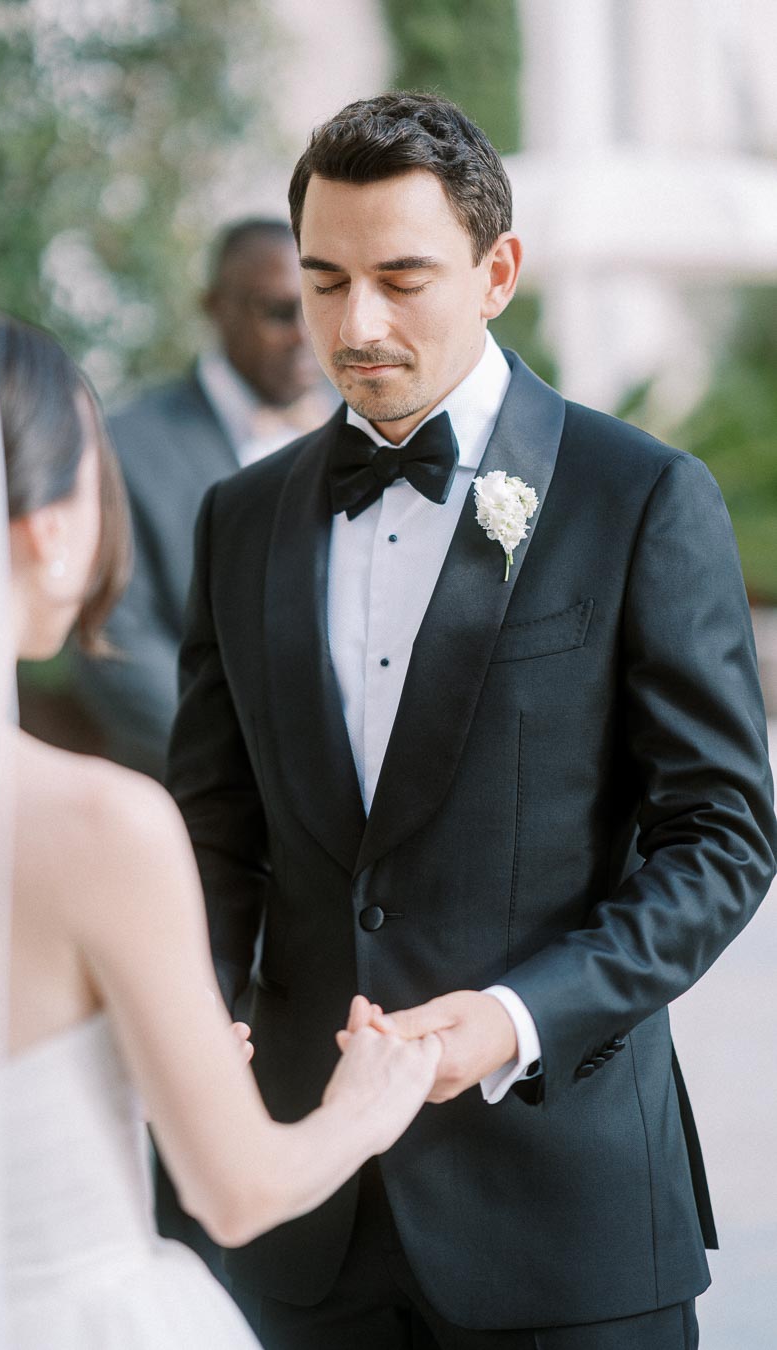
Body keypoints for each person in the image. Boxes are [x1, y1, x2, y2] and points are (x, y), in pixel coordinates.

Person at [166, 91, 777, 1349]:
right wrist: (204, 1006)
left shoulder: (643, 495)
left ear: (498, 271)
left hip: (569, 1219)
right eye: (325, 281)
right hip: (306, 1216)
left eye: (403, 277)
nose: (357, 323)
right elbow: (215, 826)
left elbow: (721, 839)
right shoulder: (243, 517)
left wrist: (511, 1018)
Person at [0, 307, 441, 1350]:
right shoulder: (97, 826)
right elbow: (237, 1194)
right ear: (45, 529)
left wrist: (89, 1098)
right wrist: (367, 1101)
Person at [72, 217, 332, 779]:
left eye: (321, 305)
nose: (307, 335)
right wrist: (246, 769)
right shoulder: (128, 446)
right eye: (280, 312)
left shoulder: (365, 425)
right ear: (215, 307)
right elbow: (112, 639)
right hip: (205, 809)